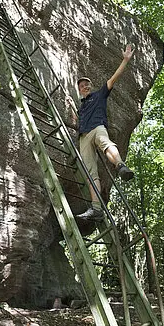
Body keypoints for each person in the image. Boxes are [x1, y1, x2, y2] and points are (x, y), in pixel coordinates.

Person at [66, 44, 135, 221]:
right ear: (79, 90)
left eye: (87, 84)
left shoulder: (99, 95)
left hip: (97, 128)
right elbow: (77, 121)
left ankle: (120, 166)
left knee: (106, 143)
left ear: (91, 86)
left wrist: (125, 60)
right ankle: (96, 209)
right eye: (82, 85)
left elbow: (114, 78)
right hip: (83, 137)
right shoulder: (81, 107)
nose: (85, 87)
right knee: (90, 173)